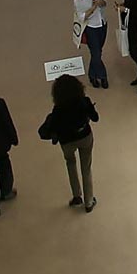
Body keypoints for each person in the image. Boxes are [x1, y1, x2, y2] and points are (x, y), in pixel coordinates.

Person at [37, 72, 99, 212]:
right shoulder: (84, 101)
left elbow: (53, 127)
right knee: (86, 168)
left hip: (67, 142)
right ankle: (89, 202)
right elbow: (96, 118)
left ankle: (77, 196)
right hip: (84, 137)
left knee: (70, 164)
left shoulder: (58, 110)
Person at [72, 0, 110, 91]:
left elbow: (104, 2)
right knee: (96, 53)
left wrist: (101, 2)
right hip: (91, 28)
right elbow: (81, 17)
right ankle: (102, 76)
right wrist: (93, 7)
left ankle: (92, 75)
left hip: (102, 24)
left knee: (98, 52)